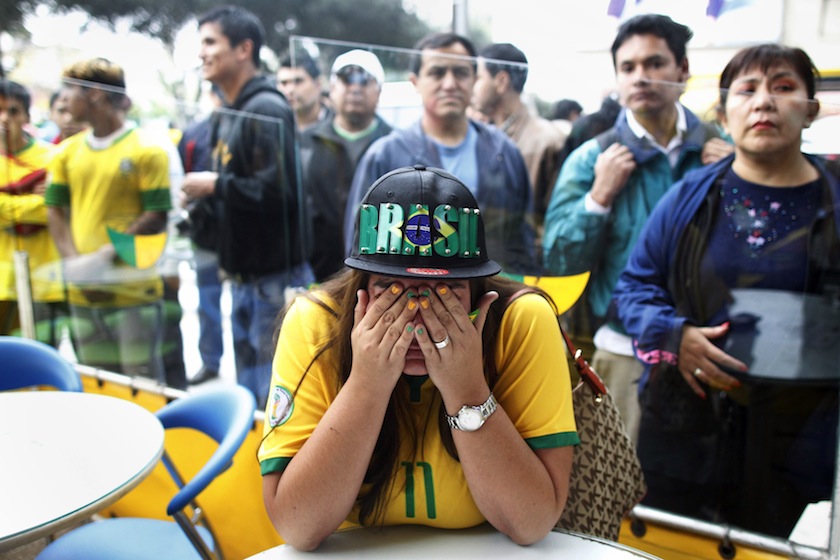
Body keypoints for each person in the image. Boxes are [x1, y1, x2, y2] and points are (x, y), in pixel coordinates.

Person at [259, 165, 577, 550]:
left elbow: (532, 521)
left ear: (480, 295)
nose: (416, 318)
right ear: (361, 287)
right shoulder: (315, 322)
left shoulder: (521, 320)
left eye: (444, 292)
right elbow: (297, 526)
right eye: (391, 290)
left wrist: (467, 390)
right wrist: (366, 385)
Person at [613, 43, 839, 536]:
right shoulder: (690, 197)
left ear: (811, 110)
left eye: (783, 88)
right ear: (724, 111)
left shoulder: (833, 197)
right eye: (747, 89)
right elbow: (632, 288)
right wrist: (674, 335)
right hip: (688, 428)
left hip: (806, 437)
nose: (764, 102)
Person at [542, 14, 732, 443]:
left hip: (707, 344)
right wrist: (598, 199)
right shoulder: (593, 158)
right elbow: (558, 260)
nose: (641, 77)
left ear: (683, 71)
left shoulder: (720, 151)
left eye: (654, 64)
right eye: (628, 68)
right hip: (624, 345)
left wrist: (728, 180)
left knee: (688, 496)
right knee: (622, 485)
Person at [182, 5, 313, 406]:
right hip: (243, 280)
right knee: (248, 394)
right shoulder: (229, 110)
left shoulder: (267, 109)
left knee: (273, 398)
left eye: (210, 42)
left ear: (243, 49)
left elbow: (279, 192)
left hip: (271, 282)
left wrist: (216, 184)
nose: (202, 53)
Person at [344, 32, 537, 275]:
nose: (449, 84)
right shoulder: (385, 155)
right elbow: (358, 251)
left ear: (475, 79)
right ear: (415, 81)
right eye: (437, 73)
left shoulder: (505, 152)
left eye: (460, 72)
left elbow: (523, 239)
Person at [44, 58, 178, 385]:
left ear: (96, 95)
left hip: (133, 291)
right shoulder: (65, 153)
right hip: (83, 291)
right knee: (96, 380)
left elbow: (156, 216)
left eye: (70, 91)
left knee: (141, 383)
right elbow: (55, 210)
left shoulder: (148, 149)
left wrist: (102, 257)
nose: (63, 100)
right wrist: (74, 263)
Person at [301, 49, 392, 282]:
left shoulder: (395, 146)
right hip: (318, 277)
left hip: (380, 279)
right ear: (331, 89)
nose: (355, 88)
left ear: (379, 91)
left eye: (365, 80)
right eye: (345, 79)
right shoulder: (305, 143)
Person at [472, 42, 567, 227]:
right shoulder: (477, 136)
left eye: (477, 78)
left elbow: (554, 222)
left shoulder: (548, 141)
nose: (471, 86)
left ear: (501, 81)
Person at [0, 79, 62, 339]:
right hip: (2, 280)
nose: (4, 119)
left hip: (44, 279)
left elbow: (53, 209)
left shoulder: (54, 158)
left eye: (13, 111)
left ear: (26, 115)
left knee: (41, 359)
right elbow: (39, 206)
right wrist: (34, 200)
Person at [177, 85, 225, 385]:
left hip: (240, 232)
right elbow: (183, 176)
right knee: (207, 297)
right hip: (205, 231)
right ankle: (209, 360)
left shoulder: (246, 125)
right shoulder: (195, 132)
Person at [276, 51, 332, 131]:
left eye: (298, 81)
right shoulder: (277, 127)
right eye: (284, 83)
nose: (290, 90)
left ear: (318, 84)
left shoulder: (338, 125)